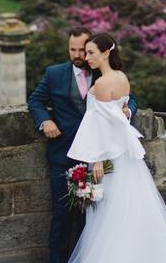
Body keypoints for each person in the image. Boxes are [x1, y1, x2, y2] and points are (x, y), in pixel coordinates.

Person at [66, 33, 166, 263]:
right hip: (126, 156)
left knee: (111, 214)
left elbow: (102, 128)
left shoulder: (102, 84)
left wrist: (95, 160)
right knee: (134, 208)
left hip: (110, 157)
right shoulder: (122, 77)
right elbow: (119, 118)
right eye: (86, 52)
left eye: (91, 52)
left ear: (106, 53)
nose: (86, 57)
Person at [27, 27, 138, 263]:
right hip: (63, 155)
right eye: (72, 49)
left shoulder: (103, 73)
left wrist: (128, 111)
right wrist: (45, 120)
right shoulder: (54, 73)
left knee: (95, 218)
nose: (78, 55)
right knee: (62, 217)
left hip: (100, 158)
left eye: (82, 50)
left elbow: (130, 99)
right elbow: (35, 100)